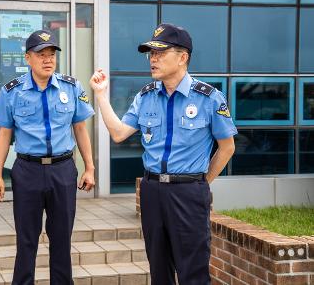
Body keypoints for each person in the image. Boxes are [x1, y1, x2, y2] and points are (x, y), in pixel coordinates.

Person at [90, 23, 237, 285]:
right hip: (152, 190)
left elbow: (227, 147)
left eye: (160, 53)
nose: (153, 59)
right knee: (158, 268)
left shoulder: (209, 98)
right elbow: (119, 133)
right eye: (151, 54)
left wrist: (202, 182)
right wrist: (101, 96)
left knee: (193, 270)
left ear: (183, 57)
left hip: (189, 192)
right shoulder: (146, 96)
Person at [0, 30, 95, 285]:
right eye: (41, 55)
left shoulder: (72, 87)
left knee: (61, 239)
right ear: (28, 58)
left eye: (51, 55)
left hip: (63, 170)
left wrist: (89, 168)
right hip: (27, 170)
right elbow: (4, 134)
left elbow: (80, 128)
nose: (48, 60)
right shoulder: (11, 91)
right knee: (26, 239)